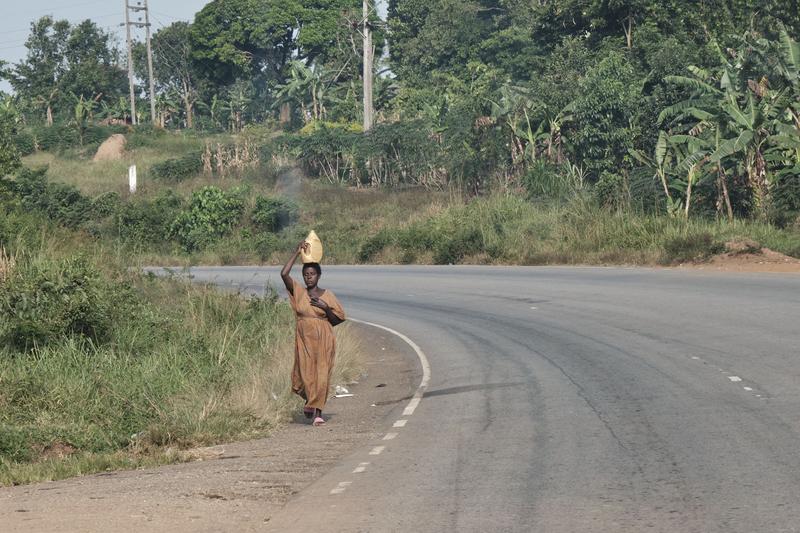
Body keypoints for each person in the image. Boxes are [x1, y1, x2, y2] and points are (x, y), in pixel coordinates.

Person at [281, 241, 345, 426]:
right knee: (304, 374)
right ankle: (309, 401)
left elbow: (338, 320)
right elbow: (284, 274)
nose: (309, 278)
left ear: (319, 276)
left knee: (322, 374)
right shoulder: (299, 292)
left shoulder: (327, 295)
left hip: (324, 339)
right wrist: (296, 252)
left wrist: (326, 308)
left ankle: (318, 412)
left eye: (312, 274)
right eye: (306, 275)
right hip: (304, 339)